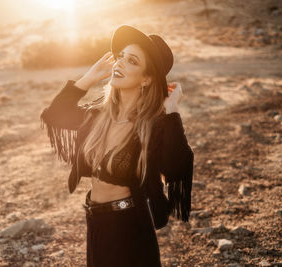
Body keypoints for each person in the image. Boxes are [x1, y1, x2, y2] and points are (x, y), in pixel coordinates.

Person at [40, 25, 194, 267]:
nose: (120, 63)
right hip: (96, 223)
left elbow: (177, 167)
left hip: (130, 227)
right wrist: (88, 78)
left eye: (132, 61)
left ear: (146, 78)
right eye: (120, 56)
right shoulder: (98, 116)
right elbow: (55, 115)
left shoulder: (153, 126)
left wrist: (172, 111)